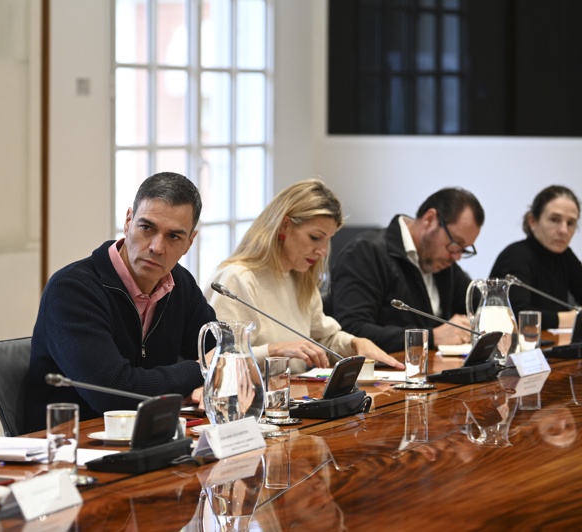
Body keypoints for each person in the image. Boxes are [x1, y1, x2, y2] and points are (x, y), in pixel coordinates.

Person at [27, 172, 217, 428]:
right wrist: (202, 369)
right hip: (71, 446)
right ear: (128, 222)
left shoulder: (179, 282)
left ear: (189, 243)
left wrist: (214, 373)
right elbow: (114, 394)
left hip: (152, 436)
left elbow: (223, 349)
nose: (157, 247)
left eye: (174, 236)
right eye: (146, 228)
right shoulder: (72, 289)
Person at [204, 179, 402, 374]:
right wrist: (275, 350)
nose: (323, 251)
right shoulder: (237, 279)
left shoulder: (300, 277)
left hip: (293, 396)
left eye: (327, 240)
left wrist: (356, 343)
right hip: (251, 399)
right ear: (284, 226)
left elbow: (324, 339)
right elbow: (220, 359)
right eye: (315, 238)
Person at [327, 187, 484, 353]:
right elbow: (352, 330)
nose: (457, 256)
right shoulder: (367, 252)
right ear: (430, 219)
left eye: (464, 249)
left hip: (429, 370)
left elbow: (479, 306)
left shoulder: (443, 262)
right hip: (382, 374)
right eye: (455, 243)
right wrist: (431, 337)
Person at [490, 185, 581, 330]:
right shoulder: (515, 256)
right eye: (555, 220)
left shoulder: (566, 256)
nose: (564, 230)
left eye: (570, 223)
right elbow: (517, 315)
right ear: (532, 221)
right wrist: (573, 319)